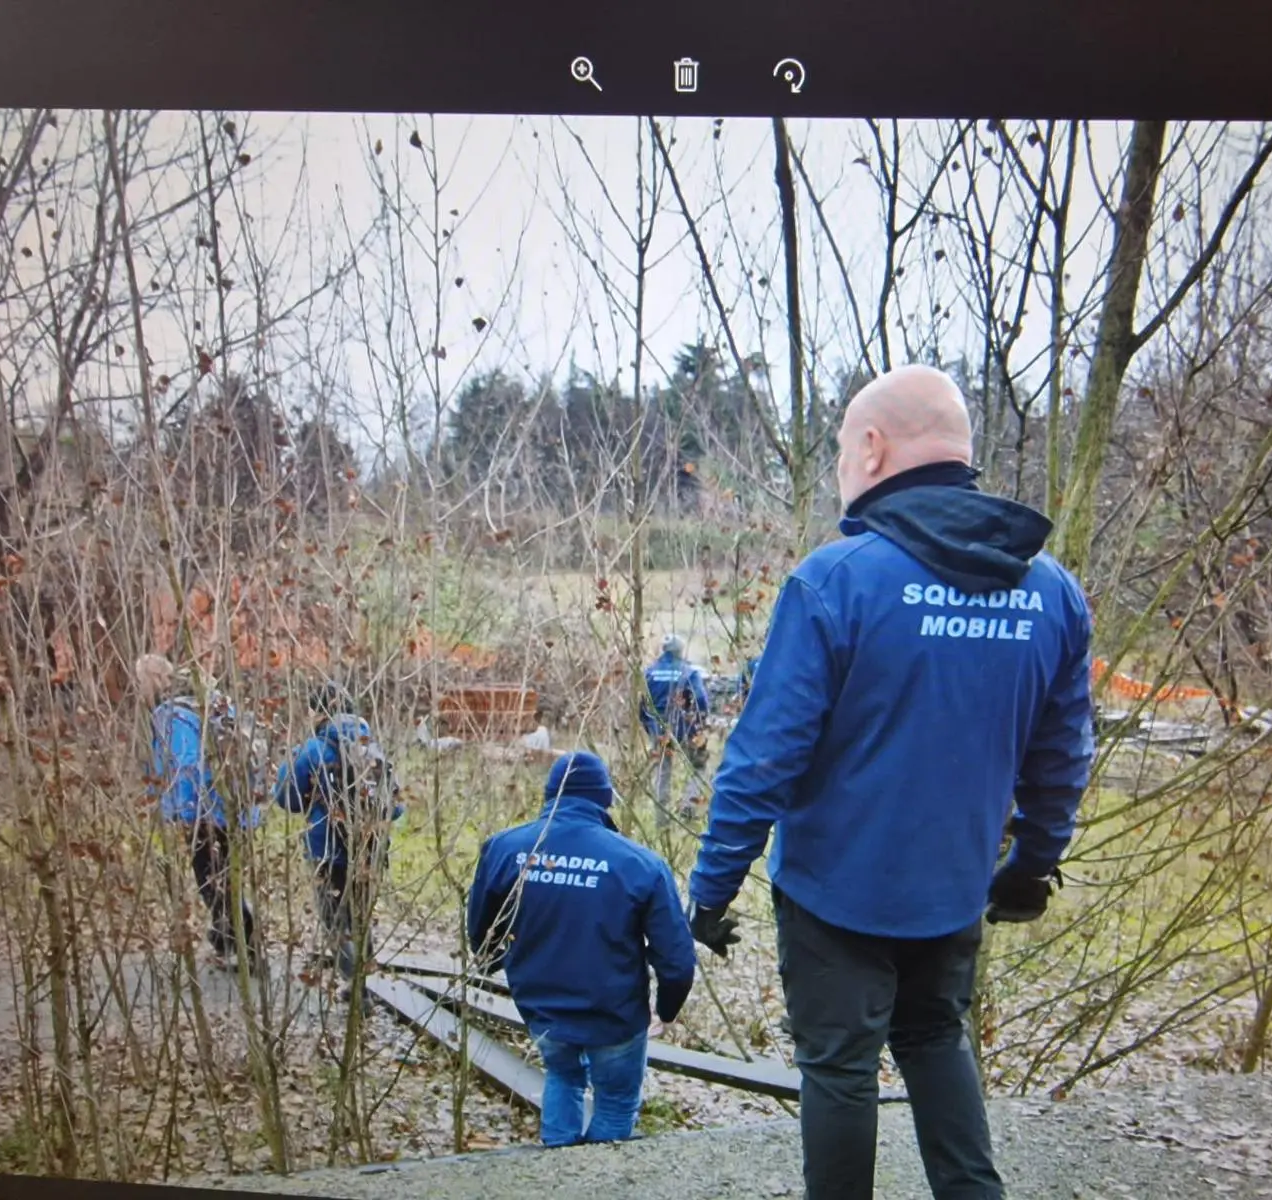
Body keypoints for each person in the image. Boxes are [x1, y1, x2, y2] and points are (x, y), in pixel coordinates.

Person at [686, 364, 1095, 1200]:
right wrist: (1028, 866)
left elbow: (763, 757)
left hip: (834, 891)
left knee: (839, 1070)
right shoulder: (1051, 592)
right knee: (937, 1039)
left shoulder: (836, 581)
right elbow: (1061, 760)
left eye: (843, 449)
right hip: (954, 887)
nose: (843, 465)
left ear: (872, 449)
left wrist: (711, 890)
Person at [467, 751, 696, 1148]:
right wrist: (667, 1009)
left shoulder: (505, 849)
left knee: (563, 1077)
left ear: (550, 794)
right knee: (616, 1102)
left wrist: (493, 963)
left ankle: (560, 1176)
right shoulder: (640, 864)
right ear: (605, 799)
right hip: (615, 1017)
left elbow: (482, 933)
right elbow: (676, 960)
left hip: (542, 1011)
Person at [272, 681, 403, 979]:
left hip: (327, 852)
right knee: (361, 919)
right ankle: (364, 983)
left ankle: (353, 986)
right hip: (370, 849)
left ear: (317, 712)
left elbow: (286, 798)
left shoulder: (311, 750)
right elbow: (395, 807)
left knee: (335, 922)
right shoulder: (372, 747)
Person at [138, 653, 261, 969]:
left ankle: (249, 947)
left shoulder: (171, 713)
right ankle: (225, 940)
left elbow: (183, 763)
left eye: (139, 683)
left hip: (205, 811)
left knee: (211, 879)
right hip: (237, 807)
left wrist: (175, 808)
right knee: (224, 876)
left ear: (152, 681)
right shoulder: (213, 701)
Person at [639, 634, 711, 825]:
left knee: (663, 772)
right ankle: (688, 807)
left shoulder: (649, 672)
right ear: (680, 650)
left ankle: (661, 821)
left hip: (659, 730)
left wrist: (650, 727)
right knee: (698, 767)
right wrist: (699, 726)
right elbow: (701, 701)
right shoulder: (689, 672)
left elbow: (642, 705)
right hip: (685, 729)